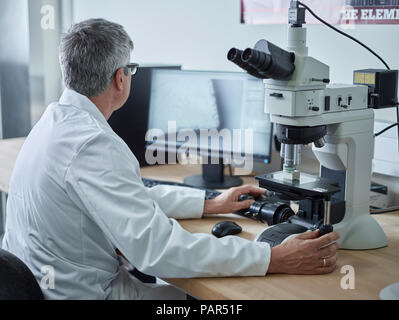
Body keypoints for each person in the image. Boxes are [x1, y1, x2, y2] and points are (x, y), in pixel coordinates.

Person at [2, 19, 339, 300]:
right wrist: (273, 257)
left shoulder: (55, 121)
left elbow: (126, 195)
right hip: (87, 294)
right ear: (120, 78)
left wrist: (209, 204)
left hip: (50, 285)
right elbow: (159, 251)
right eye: (130, 69)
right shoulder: (93, 144)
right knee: (210, 304)